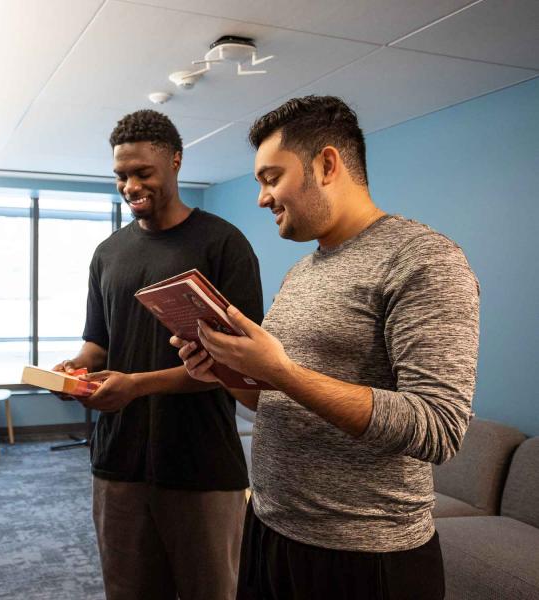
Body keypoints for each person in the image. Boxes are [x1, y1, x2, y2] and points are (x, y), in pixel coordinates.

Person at [172, 95, 480, 599]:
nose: (262, 199)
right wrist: (224, 371)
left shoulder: (424, 261)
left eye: (271, 178)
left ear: (327, 165)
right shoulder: (302, 272)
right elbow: (277, 400)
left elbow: (438, 428)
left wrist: (283, 371)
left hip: (365, 557)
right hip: (270, 530)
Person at [53, 109, 264, 600]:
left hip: (200, 463)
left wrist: (137, 385)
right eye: (121, 175)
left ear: (175, 161)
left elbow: (244, 364)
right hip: (118, 461)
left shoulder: (223, 245)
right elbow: (98, 342)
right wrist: (76, 370)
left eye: (142, 172)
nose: (130, 186)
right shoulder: (108, 253)